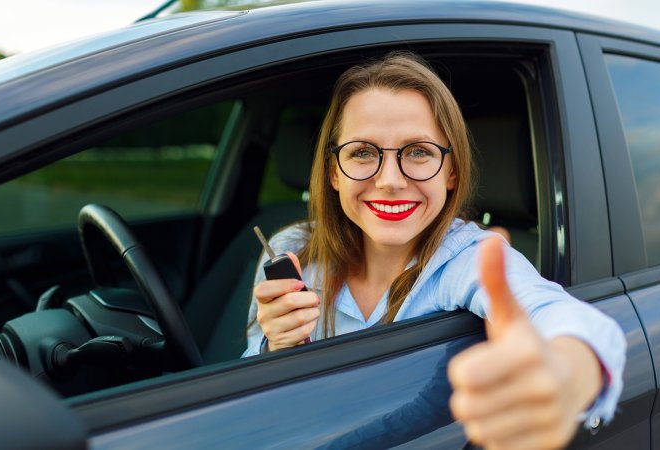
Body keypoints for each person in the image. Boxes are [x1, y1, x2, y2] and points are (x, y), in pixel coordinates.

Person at [243, 52, 626, 449]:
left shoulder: (469, 257)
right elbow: (244, 399)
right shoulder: (290, 251)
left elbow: (556, 314)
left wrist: (568, 369)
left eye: (418, 152)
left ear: (451, 171)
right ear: (334, 172)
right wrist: (275, 347)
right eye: (362, 152)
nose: (389, 180)